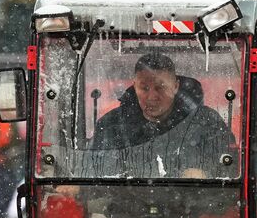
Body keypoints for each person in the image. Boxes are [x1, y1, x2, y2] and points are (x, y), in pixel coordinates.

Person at [89, 53, 234, 177]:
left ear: (175, 86)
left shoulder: (208, 123)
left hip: (192, 201)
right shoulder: (110, 125)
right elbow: (93, 172)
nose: (152, 96)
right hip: (124, 202)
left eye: (161, 87)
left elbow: (230, 168)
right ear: (134, 86)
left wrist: (206, 175)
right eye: (144, 88)